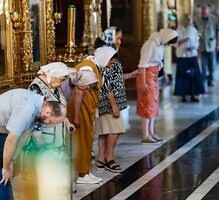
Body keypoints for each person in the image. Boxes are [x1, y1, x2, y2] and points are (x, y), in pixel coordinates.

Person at [0, 88, 66, 199]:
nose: (48, 125)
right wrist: (6, 167)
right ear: (48, 111)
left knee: (6, 174)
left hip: (3, 131)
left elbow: (25, 135)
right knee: (3, 175)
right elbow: (11, 140)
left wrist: (12, 160)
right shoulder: (27, 108)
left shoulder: (38, 106)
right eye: (50, 121)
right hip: (3, 133)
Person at [94, 26, 137, 172]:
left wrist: (130, 75)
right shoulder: (107, 55)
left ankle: (101, 159)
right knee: (115, 129)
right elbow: (107, 84)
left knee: (105, 130)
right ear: (110, 38)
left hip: (110, 101)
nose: (120, 40)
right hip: (109, 101)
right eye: (117, 37)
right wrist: (114, 105)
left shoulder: (110, 54)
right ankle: (109, 158)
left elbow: (116, 79)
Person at [66, 49, 103, 184]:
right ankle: (81, 174)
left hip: (84, 110)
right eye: (87, 86)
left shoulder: (92, 67)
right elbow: (78, 94)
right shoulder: (86, 68)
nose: (88, 88)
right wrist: (75, 118)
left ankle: (85, 171)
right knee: (81, 140)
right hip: (79, 111)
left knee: (87, 139)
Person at [136, 28, 178, 144]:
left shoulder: (160, 44)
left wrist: (164, 73)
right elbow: (143, 65)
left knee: (153, 104)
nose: (168, 44)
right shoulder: (150, 44)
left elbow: (159, 61)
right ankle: (145, 135)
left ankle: (151, 133)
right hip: (147, 75)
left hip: (153, 75)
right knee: (146, 104)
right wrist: (143, 83)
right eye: (169, 42)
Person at [174, 14, 205, 102]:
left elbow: (197, 41)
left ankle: (193, 95)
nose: (188, 21)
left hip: (192, 55)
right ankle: (183, 95)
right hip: (182, 56)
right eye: (186, 19)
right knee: (183, 76)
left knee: (193, 76)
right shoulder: (178, 30)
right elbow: (175, 43)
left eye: (189, 19)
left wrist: (193, 47)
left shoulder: (193, 30)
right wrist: (183, 40)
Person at [194, 4, 219, 87]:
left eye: (205, 11)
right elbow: (193, 32)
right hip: (201, 46)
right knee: (203, 65)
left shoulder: (213, 19)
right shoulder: (196, 20)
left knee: (212, 65)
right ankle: (204, 79)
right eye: (202, 11)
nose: (204, 12)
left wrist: (218, 43)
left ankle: (211, 80)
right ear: (200, 11)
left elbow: (217, 31)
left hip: (211, 44)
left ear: (208, 11)